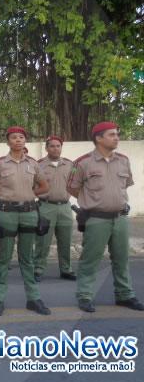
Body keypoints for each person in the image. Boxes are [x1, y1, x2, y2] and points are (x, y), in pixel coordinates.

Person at [68, 122, 144, 313]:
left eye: (117, 134)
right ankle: (85, 296)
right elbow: (72, 187)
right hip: (96, 219)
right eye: (111, 135)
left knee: (121, 258)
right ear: (98, 138)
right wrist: (91, 201)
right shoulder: (82, 163)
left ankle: (124, 295)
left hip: (120, 218)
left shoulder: (123, 161)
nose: (116, 137)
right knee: (90, 259)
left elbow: (124, 185)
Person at [0, 126, 51, 317]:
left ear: (25, 141)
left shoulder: (33, 164)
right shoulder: (0, 164)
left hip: (29, 213)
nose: (18, 140)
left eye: (21, 137)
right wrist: (4, 195)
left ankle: (33, 299)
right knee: (4, 257)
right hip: (7, 214)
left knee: (27, 258)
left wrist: (29, 195)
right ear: (8, 141)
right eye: (14, 137)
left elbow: (44, 187)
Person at [33, 136, 75, 282]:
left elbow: (76, 183)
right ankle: (38, 269)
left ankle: (66, 269)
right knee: (43, 240)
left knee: (65, 240)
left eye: (58, 146)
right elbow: (32, 186)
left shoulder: (70, 164)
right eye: (52, 146)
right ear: (46, 148)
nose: (55, 148)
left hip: (65, 207)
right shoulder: (39, 165)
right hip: (46, 206)